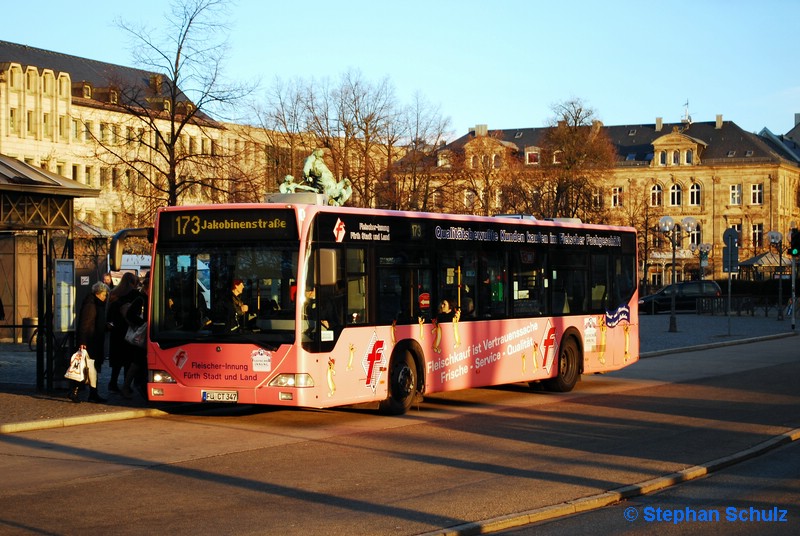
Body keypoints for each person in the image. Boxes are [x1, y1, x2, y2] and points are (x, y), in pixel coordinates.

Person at [69, 281, 110, 403]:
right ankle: (74, 391)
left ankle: (93, 392)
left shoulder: (97, 304)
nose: (105, 297)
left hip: (94, 341)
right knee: (85, 367)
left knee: (93, 368)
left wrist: (106, 326)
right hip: (90, 341)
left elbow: (96, 323)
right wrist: (82, 341)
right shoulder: (91, 304)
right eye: (104, 294)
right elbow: (85, 324)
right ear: (98, 293)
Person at [106, 272, 142, 392]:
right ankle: (127, 385)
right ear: (133, 283)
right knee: (128, 359)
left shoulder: (114, 293)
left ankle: (113, 383)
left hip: (116, 332)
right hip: (129, 330)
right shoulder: (135, 295)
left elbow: (109, 315)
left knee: (116, 361)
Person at [121, 274, 149, 399]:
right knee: (137, 362)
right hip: (142, 335)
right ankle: (127, 387)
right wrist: (144, 324)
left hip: (147, 334)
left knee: (139, 363)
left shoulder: (148, 298)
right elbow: (131, 315)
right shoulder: (141, 299)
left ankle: (137, 386)